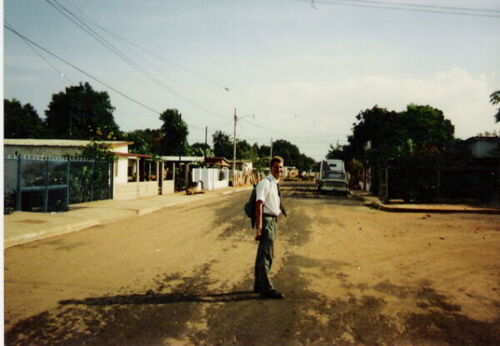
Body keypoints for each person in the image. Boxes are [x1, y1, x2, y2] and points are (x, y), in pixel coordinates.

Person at [254, 156, 286, 299]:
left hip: (272, 220)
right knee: (267, 255)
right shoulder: (265, 183)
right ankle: (267, 288)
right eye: (275, 167)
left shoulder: (274, 183)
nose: (278, 169)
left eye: (280, 167)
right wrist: (259, 228)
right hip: (267, 221)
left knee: (262, 254)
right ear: (270, 168)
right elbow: (259, 205)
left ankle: (258, 285)